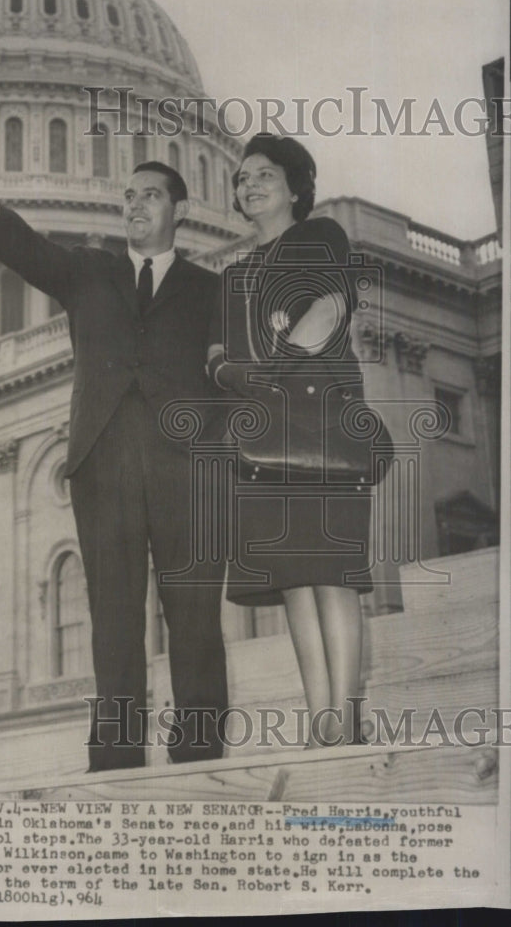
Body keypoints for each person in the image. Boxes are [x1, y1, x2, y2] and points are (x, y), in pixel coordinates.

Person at [0, 137, 228, 772]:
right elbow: (25, 250)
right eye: (128, 196)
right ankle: (118, 752)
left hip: (189, 466)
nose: (134, 205)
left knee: (196, 616)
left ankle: (202, 749)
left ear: (181, 209)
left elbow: (231, 377)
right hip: (107, 459)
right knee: (115, 615)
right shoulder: (89, 270)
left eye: (149, 194)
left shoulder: (211, 289)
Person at [207, 133, 372, 748]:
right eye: (243, 178)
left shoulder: (321, 237)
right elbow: (217, 358)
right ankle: (322, 720)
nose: (249, 185)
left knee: (334, 574)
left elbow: (330, 310)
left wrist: (262, 375)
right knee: (295, 581)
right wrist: (238, 375)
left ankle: (348, 722)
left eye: (264, 175)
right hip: (266, 435)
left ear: (296, 186)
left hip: (324, 421)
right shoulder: (234, 276)